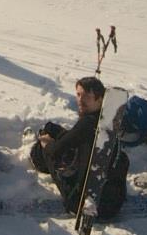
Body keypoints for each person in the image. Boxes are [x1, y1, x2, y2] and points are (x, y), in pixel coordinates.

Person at [30, 76, 108, 212]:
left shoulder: (87, 123)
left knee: (45, 148)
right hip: (108, 199)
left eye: (87, 96)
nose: (80, 100)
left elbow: (55, 152)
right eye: (78, 95)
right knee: (53, 129)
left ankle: (37, 158)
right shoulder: (107, 122)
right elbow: (74, 137)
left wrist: (45, 143)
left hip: (80, 201)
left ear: (100, 99)